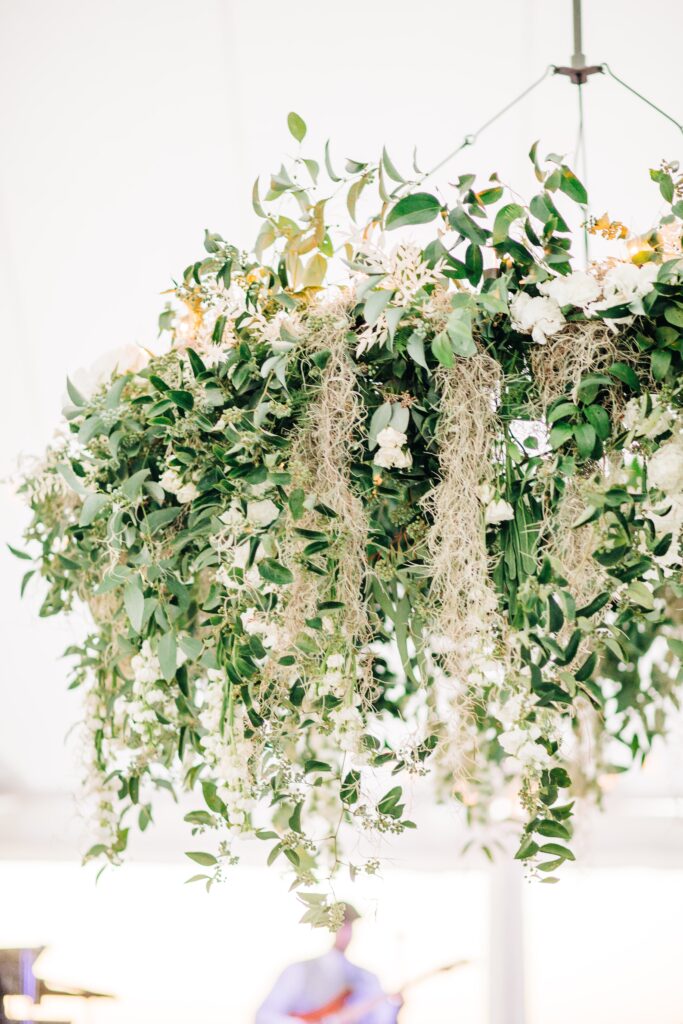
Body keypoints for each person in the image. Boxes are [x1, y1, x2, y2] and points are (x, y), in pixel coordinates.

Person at [255, 904, 401, 1024]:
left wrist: (395, 1007)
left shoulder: (367, 978)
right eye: (340, 925)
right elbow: (264, 1017)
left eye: (349, 926)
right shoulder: (299, 970)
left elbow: (381, 1019)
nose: (345, 932)